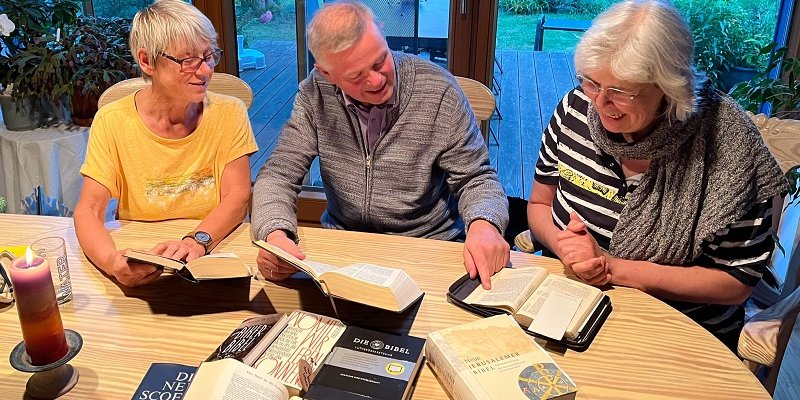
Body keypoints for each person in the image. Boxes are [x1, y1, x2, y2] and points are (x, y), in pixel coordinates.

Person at [527, 0, 787, 351]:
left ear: (669, 86)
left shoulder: (728, 148)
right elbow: (539, 204)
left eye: (620, 91)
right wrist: (567, 248)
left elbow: (736, 282)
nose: (600, 103)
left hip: (677, 328)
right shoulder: (575, 108)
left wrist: (611, 268)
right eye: (591, 83)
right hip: (568, 305)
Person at [251, 1, 509, 289]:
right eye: (356, 76)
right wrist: (274, 234)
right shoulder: (315, 94)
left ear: (383, 35)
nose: (375, 80)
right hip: (345, 247)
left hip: (427, 246)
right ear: (327, 74)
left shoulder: (439, 90)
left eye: (379, 61)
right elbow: (278, 175)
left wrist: (484, 224)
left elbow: (477, 178)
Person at [74, 0, 257, 287]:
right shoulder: (112, 120)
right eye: (188, 60)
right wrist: (112, 262)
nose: (205, 70)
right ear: (147, 61)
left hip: (216, 248)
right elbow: (88, 210)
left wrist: (197, 242)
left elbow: (237, 196)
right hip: (145, 252)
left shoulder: (230, 112)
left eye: (209, 56)